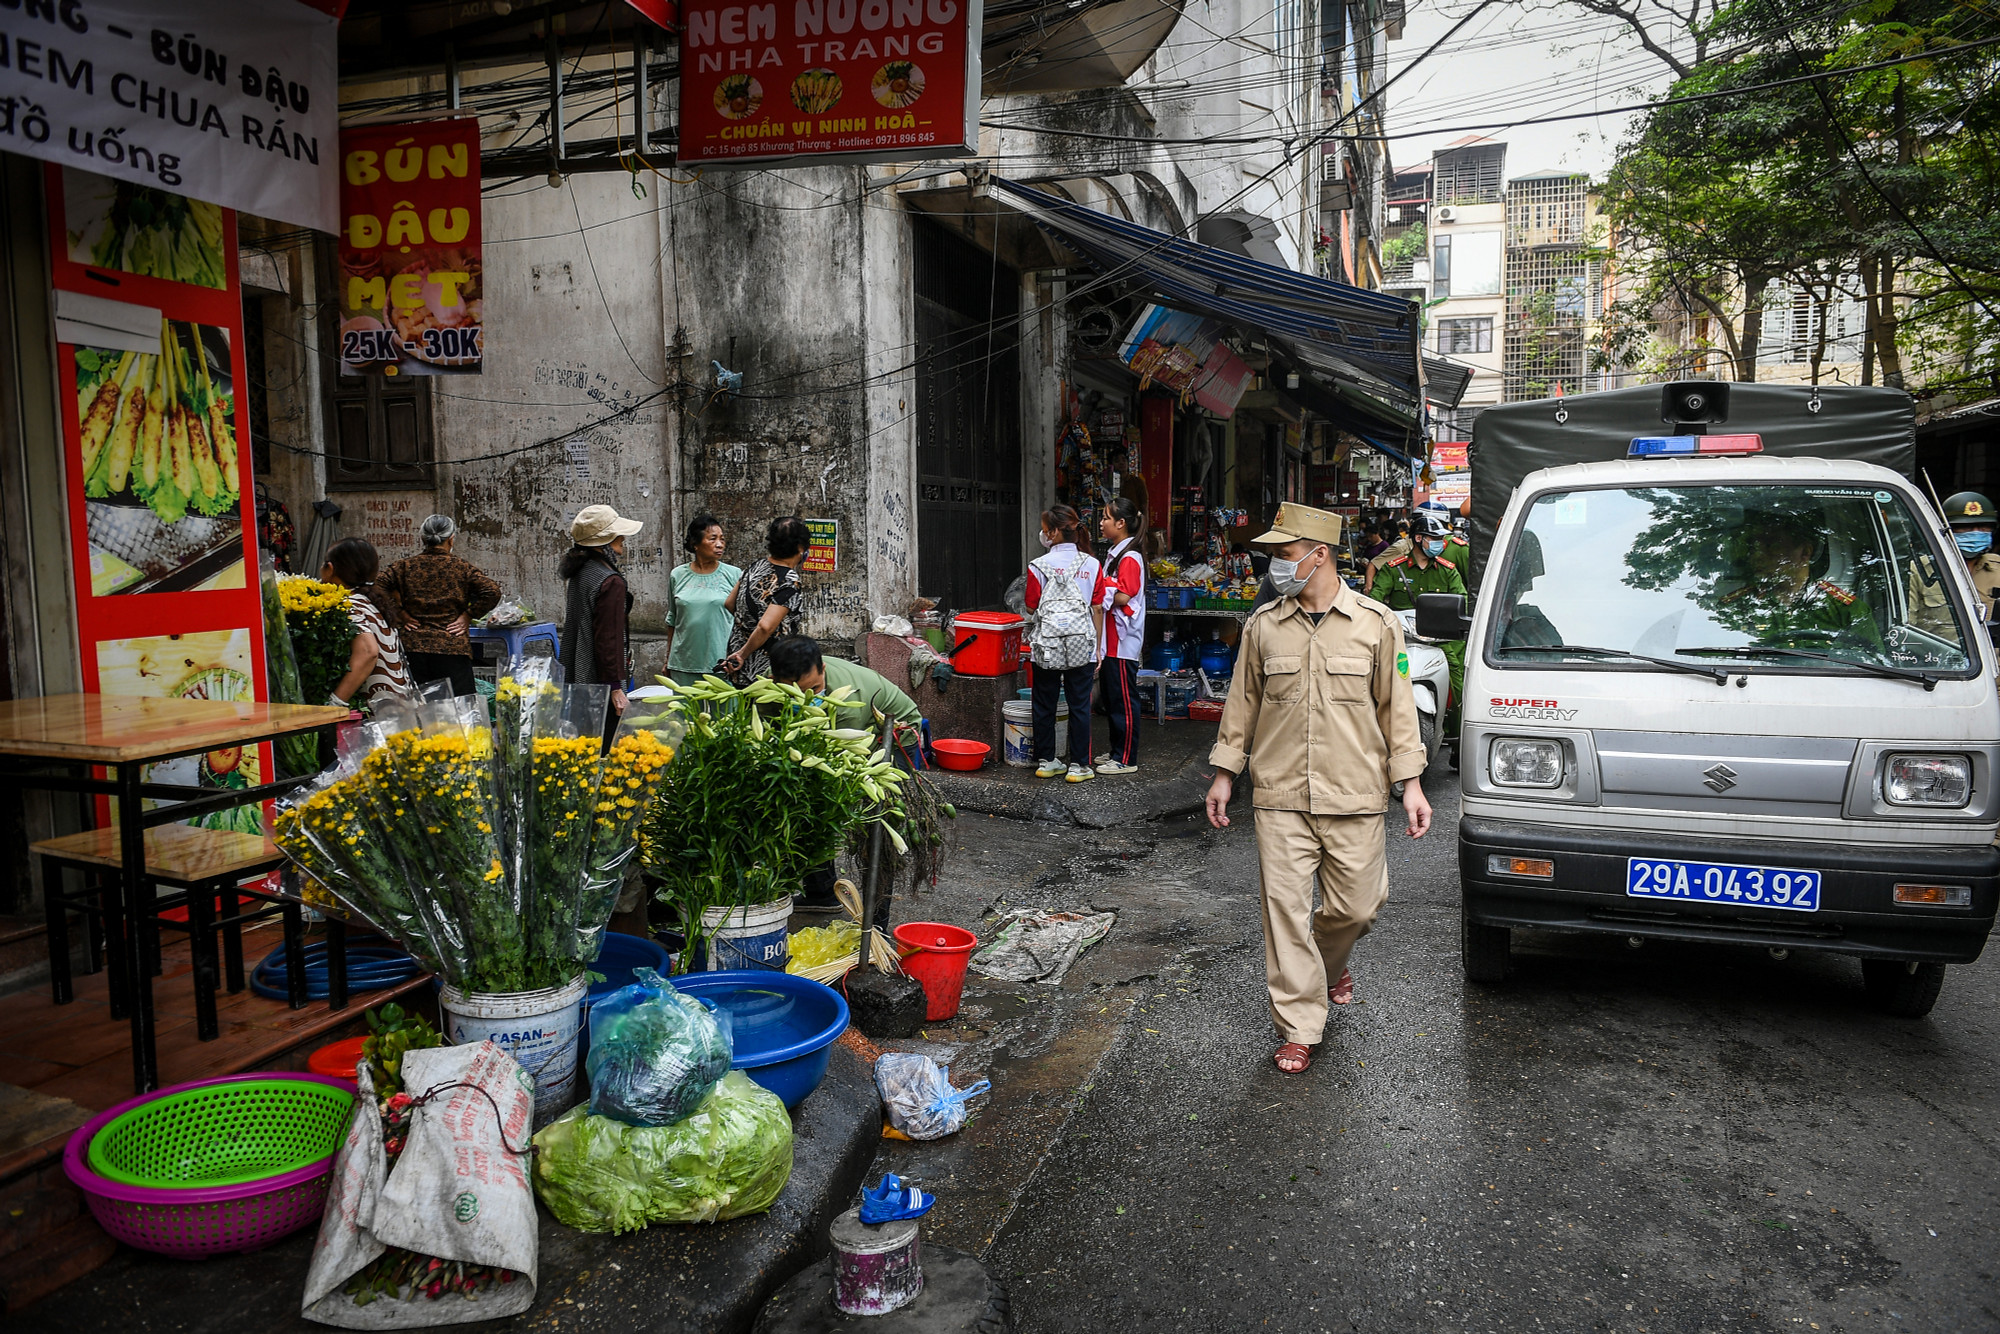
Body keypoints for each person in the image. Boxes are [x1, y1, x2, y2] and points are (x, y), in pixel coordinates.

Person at [1205, 502, 1430, 1075]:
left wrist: (1411, 783)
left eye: (1283, 555)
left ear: (1318, 554)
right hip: (1279, 793)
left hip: (1355, 792)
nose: (1275, 568)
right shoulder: (1263, 626)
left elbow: (1397, 708)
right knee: (1283, 911)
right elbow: (1242, 704)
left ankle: (1330, 962)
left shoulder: (1378, 625)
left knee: (1358, 906)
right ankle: (1300, 1025)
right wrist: (1226, 773)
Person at [376, 514, 501, 697]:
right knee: (459, 710)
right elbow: (492, 591)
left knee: (421, 710)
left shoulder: (404, 567)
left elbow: (377, 586)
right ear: (451, 539)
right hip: (452, 644)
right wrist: (468, 615)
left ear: (422, 539)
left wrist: (399, 612)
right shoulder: (461, 567)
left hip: (414, 646)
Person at [1370, 511, 1470, 738]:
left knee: (1458, 687)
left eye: (1440, 539)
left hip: (1440, 642)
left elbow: (1461, 601)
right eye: (1434, 539)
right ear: (1418, 539)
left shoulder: (1447, 570)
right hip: (1400, 641)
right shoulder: (1395, 568)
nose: (1439, 544)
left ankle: (1457, 743)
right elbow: (1375, 599)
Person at [1025, 505, 1103, 783]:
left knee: (1043, 702)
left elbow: (1032, 604)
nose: (1044, 534)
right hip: (1083, 643)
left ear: (1055, 532)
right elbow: (1097, 607)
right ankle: (1079, 765)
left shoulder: (1038, 565)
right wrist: (1098, 648)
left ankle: (1047, 761)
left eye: (1046, 529)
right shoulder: (1092, 564)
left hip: (1048, 645)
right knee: (1079, 704)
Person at [1718, 511, 1879, 644]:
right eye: (1754, 547)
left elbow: (1871, 671)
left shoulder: (1846, 611)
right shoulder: (1738, 606)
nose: (1757, 555)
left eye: (1771, 546)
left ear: (1805, 552)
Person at [558, 504, 643, 728]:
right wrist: (615, 687)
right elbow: (608, 638)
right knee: (604, 744)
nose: (623, 538)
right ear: (605, 541)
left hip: (577, 671)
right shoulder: (609, 581)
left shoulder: (582, 571)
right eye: (617, 534)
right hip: (598, 681)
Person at [321, 537, 415, 712]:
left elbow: (368, 652)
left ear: (330, 568)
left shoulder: (349, 604)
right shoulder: (370, 600)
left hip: (380, 713)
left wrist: (335, 704)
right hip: (399, 707)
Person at [768, 635, 923, 737]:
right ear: (774, 679)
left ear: (823, 669)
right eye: (793, 693)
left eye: (814, 689)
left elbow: (843, 747)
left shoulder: (847, 700)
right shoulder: (767, 682)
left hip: (900, 725)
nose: (805, 699)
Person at [1093, 496, 1147, 775]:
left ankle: (1126, 758)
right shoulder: (1118, 553)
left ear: (1121, 523)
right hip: (1111, 640)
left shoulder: (1130, 557)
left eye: (1105, 517)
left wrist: (1103, 590)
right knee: (1113, 699)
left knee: (1124, 700)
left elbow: (1124, 595)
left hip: (1123, 642)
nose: (1101, 523)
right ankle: (1117, 751)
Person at [722, 516, 810, 684]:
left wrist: (747, 628)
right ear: (800, 547)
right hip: (767, 664)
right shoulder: (789, 580)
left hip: (737, 655)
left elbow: (729, 603)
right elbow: (765, 626)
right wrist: (743, 654)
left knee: (743, 708)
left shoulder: (755, 566)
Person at [663, 513, 742, 687]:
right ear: (695, 544)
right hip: (683, 663)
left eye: (722, 539)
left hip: (722, 664)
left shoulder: (734, 574)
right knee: (686, 713)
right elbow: (673, 619)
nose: (720, 544)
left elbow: (743, 620)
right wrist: (668, 658)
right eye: (712, 539)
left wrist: (740, 656)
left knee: (724, 714)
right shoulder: (677, 575)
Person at [1910, 490, 2000, 636]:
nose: (1975, 533)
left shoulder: (1998, 570)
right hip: (1941, 655)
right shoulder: (1921, 570)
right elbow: (1908, 628)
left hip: (1991, 658)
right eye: (1965, 528)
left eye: (1983, 527)